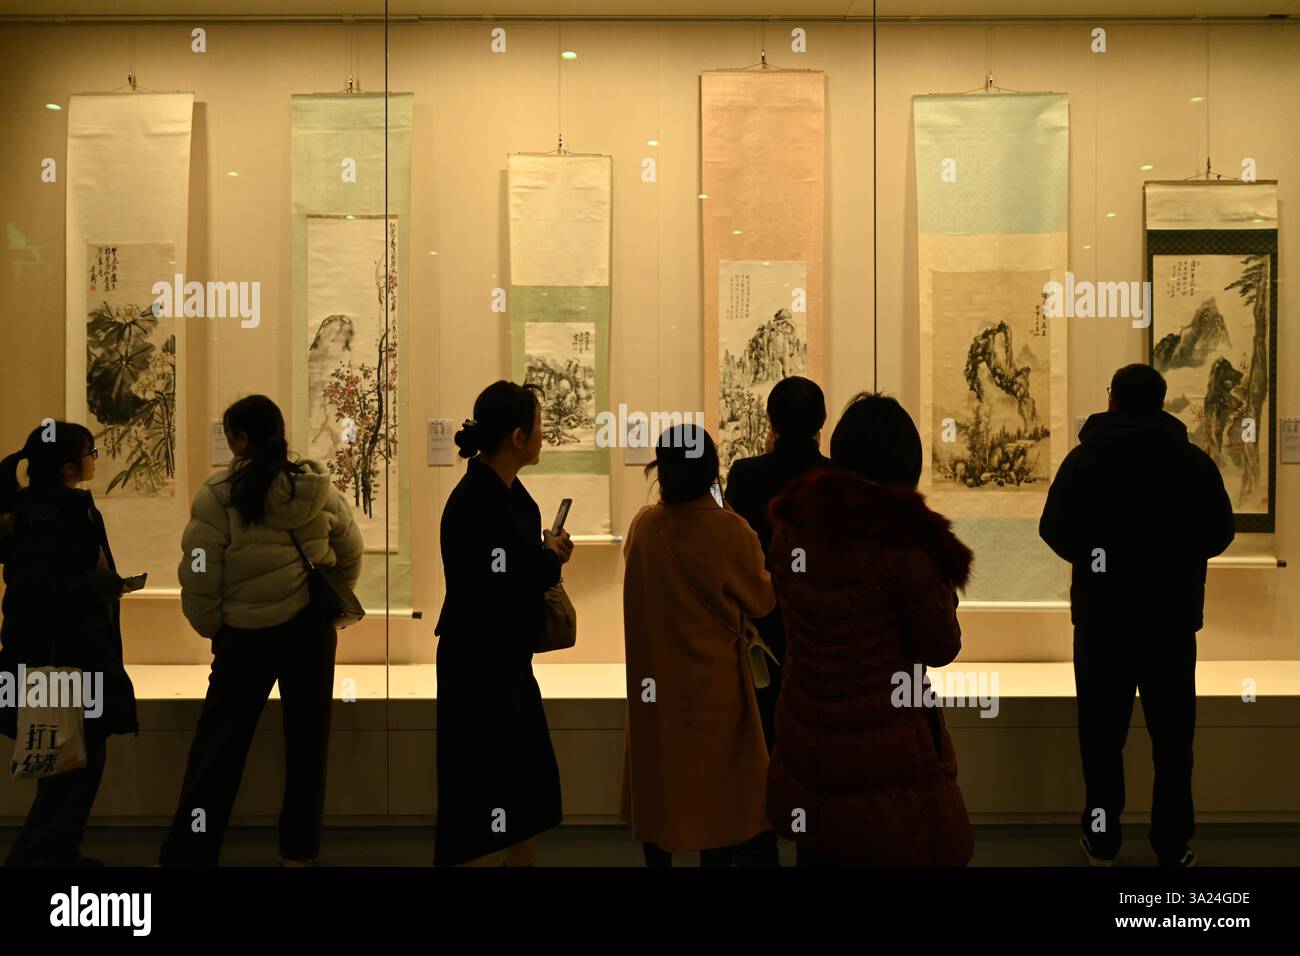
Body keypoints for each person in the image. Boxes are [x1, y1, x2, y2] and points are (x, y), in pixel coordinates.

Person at [766, 393, 975, 866]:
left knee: (819, 849)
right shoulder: (906, 542)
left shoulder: (792, 527)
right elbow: (940, 645)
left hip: (807, 725)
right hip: (888, 746)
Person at [1039, 364, 1234, 868]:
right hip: (1170, 621)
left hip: (1103, 622)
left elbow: (1054, 529)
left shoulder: (1084, 460)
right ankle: (1172, 844)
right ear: (1162, 402)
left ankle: (1102, 842)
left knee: (1101, 742)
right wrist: (1178, 560)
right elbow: (1220, 532)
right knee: (1173, 743)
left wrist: (1095, 561)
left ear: (1113, 401)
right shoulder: (1193, 463)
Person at [159, 395, 362, 866]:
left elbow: (199, 567)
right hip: (310, 635)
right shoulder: (314, 489)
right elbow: (350, 550)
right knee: (308, 749)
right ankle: (297, 856)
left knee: (217, 751)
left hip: (245, 636)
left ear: (241, 439)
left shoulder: (218, 493)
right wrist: (322, 599)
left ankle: (190, 856)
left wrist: (214, 627)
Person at [622, 424, 774, 867]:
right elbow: (763, 599)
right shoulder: (731, 530)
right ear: (712, 469)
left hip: (656, 691)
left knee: (660, 793)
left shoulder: (645, 527)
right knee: (719, 806)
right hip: (715, 691)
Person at [434, 381, 573, 867]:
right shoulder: (475, 499)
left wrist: (545, 557)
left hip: (506, 658)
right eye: (537, 426)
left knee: (524, 778)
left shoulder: (512, 495)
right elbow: (493, 584)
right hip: (476, 660)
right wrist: (547, 561)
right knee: (476, 783)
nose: (542, 435)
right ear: (517, 436)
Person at [0, 422, 138, 866]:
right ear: (67, 467)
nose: (95, 458)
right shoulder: (47, 515)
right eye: (90, 452)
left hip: (67, 657)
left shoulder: (54, 508)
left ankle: (57, 855)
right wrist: (94, 585)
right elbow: (31, 594)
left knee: (69, 764)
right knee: (72, 767)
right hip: (62, 661)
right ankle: (35, 858)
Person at [724, 376, 831, 865]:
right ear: (821, 424)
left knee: (762, 751)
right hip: (820, 633)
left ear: (770, 422)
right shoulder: (836, 478)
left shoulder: (746, 475)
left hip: (759, 634)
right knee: (816, 754)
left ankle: (762, 847)